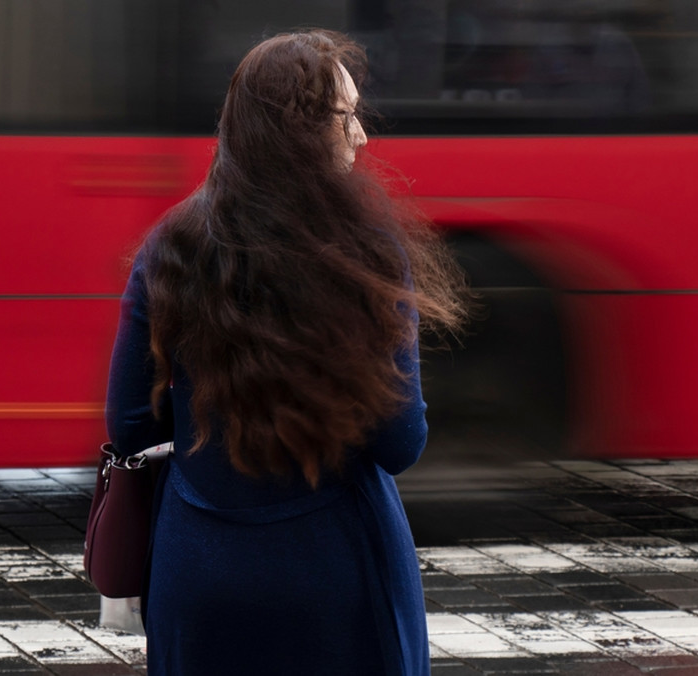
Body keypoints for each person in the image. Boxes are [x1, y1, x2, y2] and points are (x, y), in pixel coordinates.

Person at [105, 29, 465, 675]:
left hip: (200, 569)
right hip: (337, 578)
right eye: (344, 119)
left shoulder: (171, 243)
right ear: (298, 134)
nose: (360, 137)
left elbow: (130, 425)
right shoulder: (369, 254)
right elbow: (399, 443)